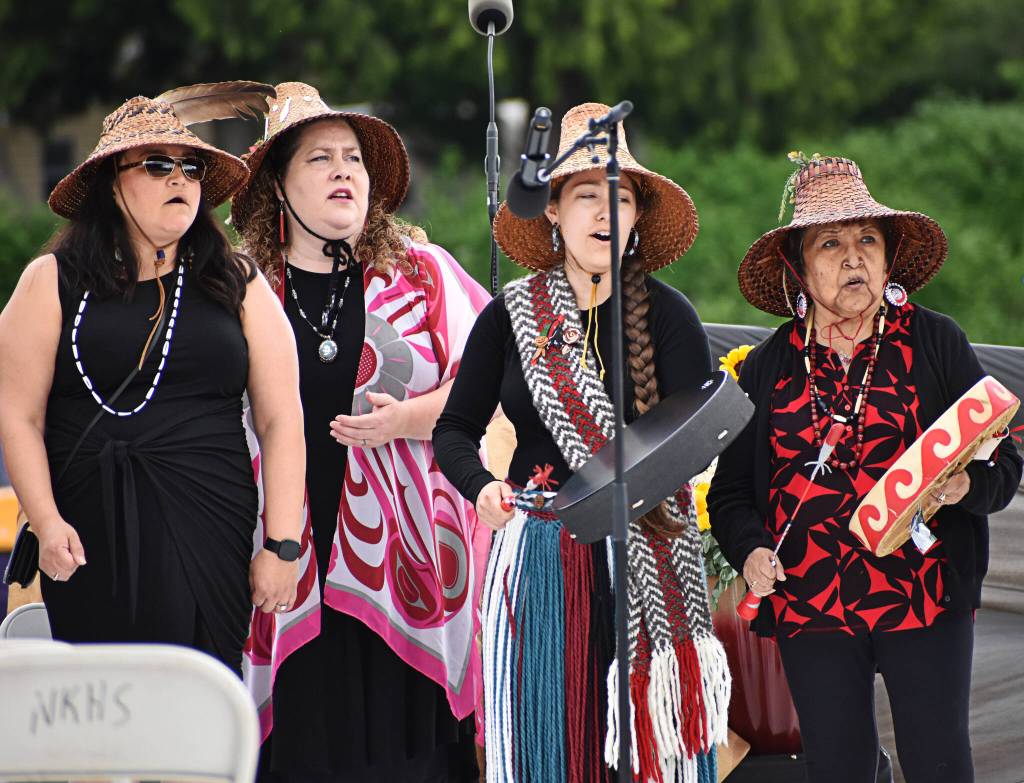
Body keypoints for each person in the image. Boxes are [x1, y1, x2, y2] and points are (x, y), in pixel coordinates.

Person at [433, 103, 729, 783]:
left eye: (619, 197)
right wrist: (481, 488)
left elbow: (703, 437)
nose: (604, 211)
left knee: (649, 758)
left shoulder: (670, 315)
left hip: (651, 546)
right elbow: (454, 429)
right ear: (555, 214)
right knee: (555, 748)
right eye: (586, 195)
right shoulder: (510, 315)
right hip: (544, 558)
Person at [708, 153, 1023, 783]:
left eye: (868, 241)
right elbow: (731, 493)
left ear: (888, 258)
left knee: (940, 765)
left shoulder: (935, 342)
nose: (854, 258)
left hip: (925, 598)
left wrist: (964, 483)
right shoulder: (765, 367)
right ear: (799, 267)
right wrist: (748, 551)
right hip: (811, 606)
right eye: (832, 242)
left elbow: (1005, 458)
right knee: (839, 768)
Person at [230, 82, 489, 783]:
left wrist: (407, 419)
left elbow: (491, 381)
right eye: (319, 158)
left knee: (408, 762)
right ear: (276, 188)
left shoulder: (421, 275)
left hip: (407, 571)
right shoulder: (243, 288)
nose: (343, 169)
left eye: (353, 157)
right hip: (282, 560)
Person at [0, 89, 305, 675]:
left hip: (210, 522)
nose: (181, 179)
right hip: (87, 532)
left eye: (191, 167)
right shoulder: (50, 280)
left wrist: (282, 544)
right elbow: (19, 414)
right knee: (100, 709)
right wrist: (44, 517)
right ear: (112, 183)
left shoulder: (237, 279)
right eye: (158, 165)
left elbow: (280, 417)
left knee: (199, 698)